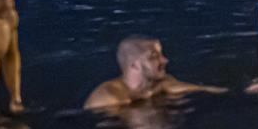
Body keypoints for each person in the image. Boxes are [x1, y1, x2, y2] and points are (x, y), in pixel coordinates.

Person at [84, 36, 227, 109]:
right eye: (154, 57)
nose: (165, 60)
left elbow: (206, 89)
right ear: (134, 65)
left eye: (161, 54)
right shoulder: (107, 97)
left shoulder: (161, 84)